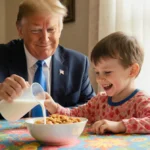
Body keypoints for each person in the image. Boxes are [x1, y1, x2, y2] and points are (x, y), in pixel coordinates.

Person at [0, 0, 95, 119]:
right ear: (20, 30)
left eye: (51, 30)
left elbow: (92, 109)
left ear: (60, 29)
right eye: (36, 30)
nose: (44, 38)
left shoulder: (78, 63)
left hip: (58, 136)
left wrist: (59, 110)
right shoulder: (2, 56)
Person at [44, 31, 150, 134]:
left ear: (132, 71)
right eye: (97, 72)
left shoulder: (141, 101)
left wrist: (120, 126)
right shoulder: (99, 102)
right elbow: (74, 115)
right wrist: (54, 107)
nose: (99, 79)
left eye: (107, 72)